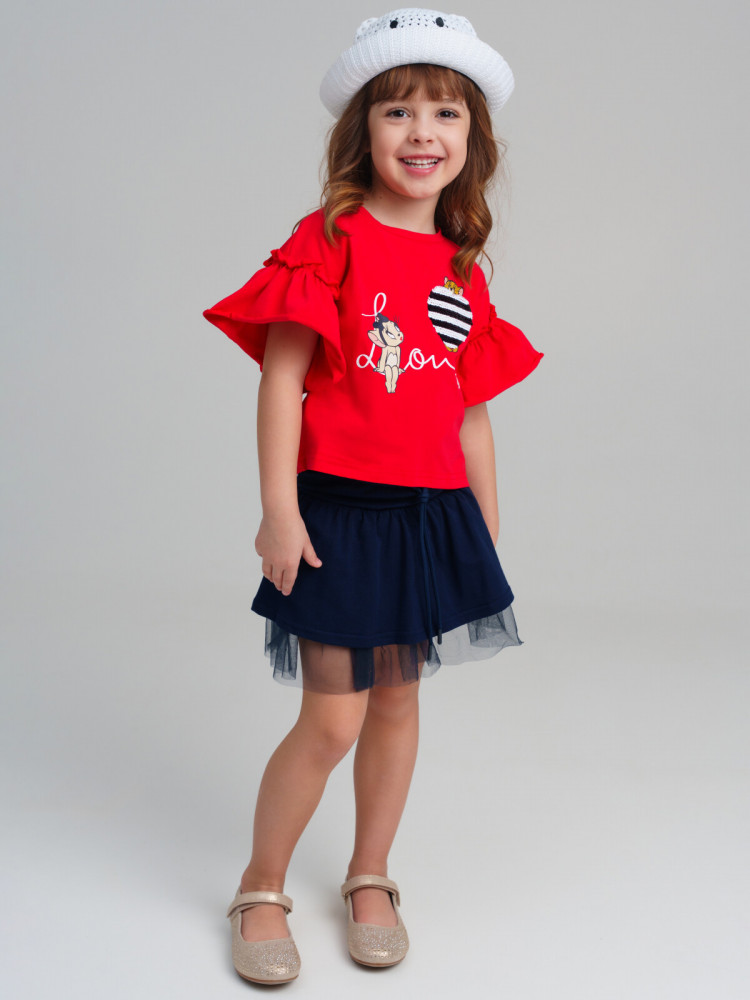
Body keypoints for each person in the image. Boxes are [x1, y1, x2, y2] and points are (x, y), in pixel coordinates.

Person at [204, 7, 543, 986]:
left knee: (397, 701)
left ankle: (370, 874)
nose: (422, 132)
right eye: (399, 111)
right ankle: (261, 885)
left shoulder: (461, 265)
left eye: (445, 113)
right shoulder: (330, 240)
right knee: (333, 717)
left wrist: (482, 528)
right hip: (341, 515)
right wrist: (280, 507)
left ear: (473, 138)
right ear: (364, 131)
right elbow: (282, 378)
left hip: (431, 516)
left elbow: (471, 412)